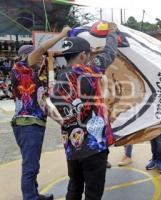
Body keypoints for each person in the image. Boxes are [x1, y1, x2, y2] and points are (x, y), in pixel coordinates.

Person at [50, 22, 118, 200]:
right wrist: (112, 33)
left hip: (72, 146)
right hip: (93, 147)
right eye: (88, 55)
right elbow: (110, 52)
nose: (89, 58)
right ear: (82, 55)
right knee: (93, 193)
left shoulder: (59, 79)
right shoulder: (91, 70)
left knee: (74, 188)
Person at [10, 26, 71, 200]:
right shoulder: (21, 68)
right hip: (27, 124)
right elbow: (42, 48)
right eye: (38, 56)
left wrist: (61, 121)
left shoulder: (37, 78)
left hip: (34, 124)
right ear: (26, 57)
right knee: (30, 166)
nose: (42, 58)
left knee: (32, 163)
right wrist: (62, 34)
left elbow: (44, 104)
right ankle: (30, 197)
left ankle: (34, 193)